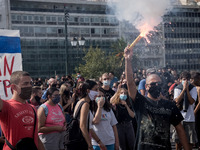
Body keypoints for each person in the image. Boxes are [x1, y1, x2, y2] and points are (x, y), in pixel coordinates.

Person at [124, 46, 190, 150]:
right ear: (146, 87)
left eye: (158, 83)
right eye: (152, 84)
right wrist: (128, 60)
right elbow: (130, 84)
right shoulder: (140, 102)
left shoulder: (170, 105)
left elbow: (180, 129)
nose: (156, 85)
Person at [0, 71, 45, 150]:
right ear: (13, 87)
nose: (29, 86)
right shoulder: (6, 106)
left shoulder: (32, 108)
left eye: (30, 83)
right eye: (25, 84)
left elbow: (36, 138)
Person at [173, 71, 198, 150]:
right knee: (178, 142)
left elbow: (191, 101)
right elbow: (177, 100)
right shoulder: (177, 88)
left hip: (189, 118)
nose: (186, 81)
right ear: (180, 80)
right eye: (184, 79)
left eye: (187, 79)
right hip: (179, 118)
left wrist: (187, 90)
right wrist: (183, 90)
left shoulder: (193, 88)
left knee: (189, 142)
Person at [67, 82, 93, 150]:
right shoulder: (85, 104)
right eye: (95, 90)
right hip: (81, 139)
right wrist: (89, 144)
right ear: (88, 91)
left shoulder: (80, 101)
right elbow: (82, 125)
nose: (97, 93)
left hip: (78, 138)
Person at [191, 72, 200, 149]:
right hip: (193, 111)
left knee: (197, 127)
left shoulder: (198, 88)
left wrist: (194, 112)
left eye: (193, 79)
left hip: (197, 111)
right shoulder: (192, 88)